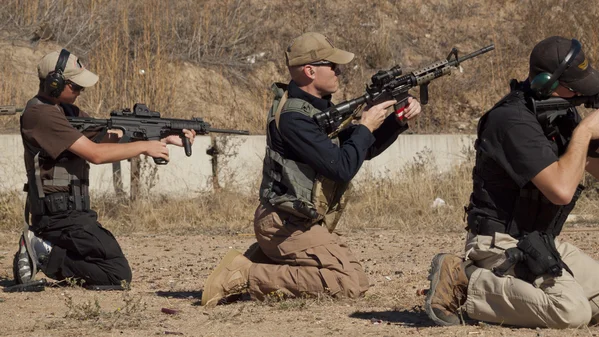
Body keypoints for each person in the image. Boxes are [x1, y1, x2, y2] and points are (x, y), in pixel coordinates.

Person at [201, 32, 421, 307]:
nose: (339, 71)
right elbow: (341, 167)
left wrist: (395, 121)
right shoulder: (295, 119)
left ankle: (261, 260)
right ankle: (246, 273)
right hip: (284, 223)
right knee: (349, 282)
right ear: (310, 71)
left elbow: (361, 150)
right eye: (332, 66)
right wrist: (365, 125)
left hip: (297, 220)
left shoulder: (315, 111)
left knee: (346, 277)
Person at [425, 36, 599, 328]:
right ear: (546, 84)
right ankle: (465, 280)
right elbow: (561, 190)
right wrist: (584, 133)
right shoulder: (511, 120)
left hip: (541, 241)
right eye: (574, 89)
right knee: (572, 312)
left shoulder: (559, 114)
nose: (580, 97)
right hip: (499, 243)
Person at [13, 49, 196, 288]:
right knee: (117, 274)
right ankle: (42, 252)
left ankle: (45, 250)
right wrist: (144, 146)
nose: (80, 91)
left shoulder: (65, 111)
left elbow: (102, 141)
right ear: (54, 83)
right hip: (57, 216)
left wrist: (163, 136)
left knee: (112, 267)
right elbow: (96, 155)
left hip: (74, 213)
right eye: (75, 86)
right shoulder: (41, 115)